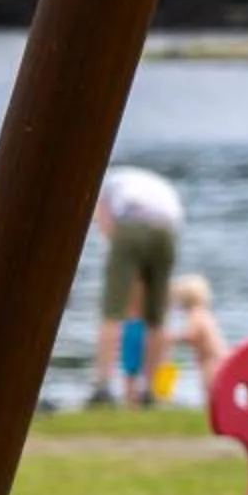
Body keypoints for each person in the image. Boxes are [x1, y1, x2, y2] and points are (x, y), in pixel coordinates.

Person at [89, 163, 185, 407]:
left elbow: (104, 221)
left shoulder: (109, 184)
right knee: (157, 317)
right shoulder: (153, 185)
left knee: (112, 311)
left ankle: (102, 387)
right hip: (167, 229)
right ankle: (150, 392)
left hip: (132, 223)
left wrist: (119, 255)